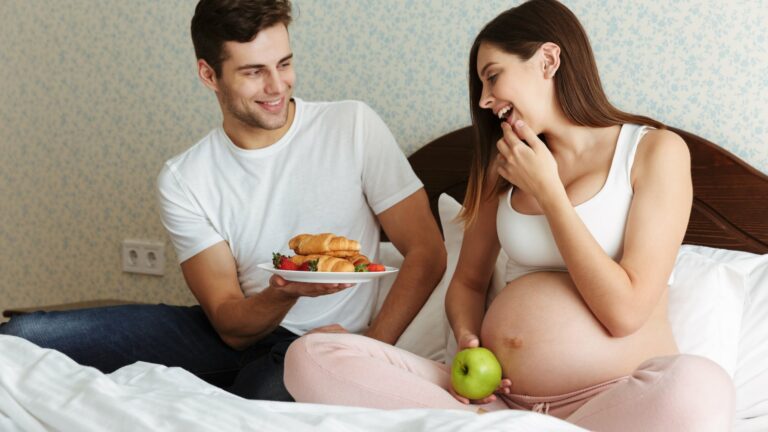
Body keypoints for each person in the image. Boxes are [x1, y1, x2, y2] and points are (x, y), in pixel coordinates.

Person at [283, 0, 735, 429]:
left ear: (548, 61)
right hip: (493, 405)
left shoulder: (654, 151)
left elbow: (625, 313)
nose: (484, 100)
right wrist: (466, 337)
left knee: (701, 387)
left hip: (611, 403)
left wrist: (550, 194)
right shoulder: (504, 167)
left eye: (493, 76)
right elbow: (468, 283)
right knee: (312, 355)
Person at [0, 0, 446, 401]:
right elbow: (231, 326)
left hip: (320, 348)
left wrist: (365, 350)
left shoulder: (351, 126)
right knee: (24, 333)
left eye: (284, 64)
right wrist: (284, 292)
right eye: (253, 72)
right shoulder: (185, 178)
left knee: (254, 399)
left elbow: (427, 252)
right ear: (208, 75)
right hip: (239, 332)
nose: (277, 86)